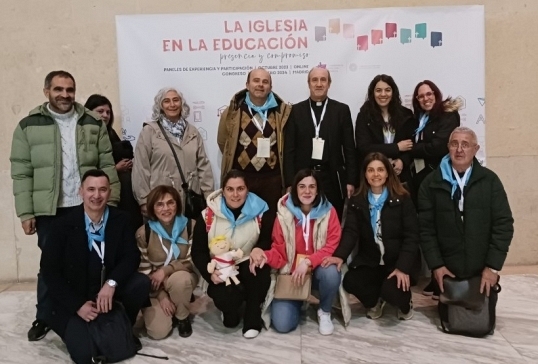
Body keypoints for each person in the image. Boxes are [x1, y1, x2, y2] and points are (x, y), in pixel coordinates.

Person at [9, 70, 119, 342]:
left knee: (90, 262)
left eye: (70, 89)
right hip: (50, 209)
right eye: (58, 89)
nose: (65, 95)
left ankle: (82, 310)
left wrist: (112, 199)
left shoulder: (92, 122)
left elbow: (106, 162)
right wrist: (26, 212)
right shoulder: (28, 126)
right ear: (47, 91)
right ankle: (45, 316)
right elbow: (21, 172)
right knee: (50, 265)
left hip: (86, 205)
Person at [40, 169, 150, 364]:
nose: (96, 195)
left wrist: (111, 283)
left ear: (109, 192)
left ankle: (123, 324)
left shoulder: (121, 220)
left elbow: (131, 256)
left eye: (102, 190)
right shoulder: (61, 225)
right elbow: (50, 274)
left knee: (140, 283)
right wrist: (78, 305)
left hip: (107, 292)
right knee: (85, 356)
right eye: (91, 189)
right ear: (80, 191)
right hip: (76, 299)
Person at [419, 127, 513, 302]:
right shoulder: (430, 183)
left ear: (475, 149)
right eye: (454, 144)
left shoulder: (490, 181)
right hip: (447, 270)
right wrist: (437, 266)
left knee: (481, 324)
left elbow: (504, 224)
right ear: (448, 147)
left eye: (465, 144)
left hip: (481, 268)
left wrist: (492, 267)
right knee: (450, 321)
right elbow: (426, 229)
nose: (459, 149)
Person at [250, 168, 347, 335]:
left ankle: (324, 311)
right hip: (292, 275)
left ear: (318, 190)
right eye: (302, 186)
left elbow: (332, 244)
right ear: (294, 189)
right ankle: (301, 299)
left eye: (312, 186)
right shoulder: (283, 214)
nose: (307, 191)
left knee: (331, 272)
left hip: (318, 271)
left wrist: (309, 261)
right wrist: (264, 256)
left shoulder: (329, 211)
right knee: (282, 325)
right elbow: (279, 251)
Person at [325, 152, 419, 320]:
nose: (376, 174)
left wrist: (403, 267)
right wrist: (339, 256)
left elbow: (411, 236)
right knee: (350, 281)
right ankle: (374, 302)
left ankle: (405, 304)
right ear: (365, 174)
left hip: (397, 262)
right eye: (371, 170)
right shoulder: (357, 200)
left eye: (380, 170)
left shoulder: (402, 198)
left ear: (388, 173)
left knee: (393, 292)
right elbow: (351, 232)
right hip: (371, 261)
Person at [191, 169, 272, 339]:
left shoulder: (261, 211)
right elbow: (198, 251)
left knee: (260, 273)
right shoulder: (207, 215)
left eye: (240, 189)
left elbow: (267, 239)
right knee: (228, 309)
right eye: (230, 189)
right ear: (223, 190)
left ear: (247, 189)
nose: (235, 194)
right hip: (221, 268)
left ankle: (252, 316)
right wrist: (209, 273)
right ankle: (230, 311)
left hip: (247, 262)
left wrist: (259, 248)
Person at [217, 68, 292, 227]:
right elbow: (224, 142)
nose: (260, 85)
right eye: (256, 81)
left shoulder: (282, 112)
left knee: (270, 224)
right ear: (247, 84)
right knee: (243, 224)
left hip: (272, 180)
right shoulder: (233, 112)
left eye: (265, 82)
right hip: (243, 180)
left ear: (270, 87)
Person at [408, 80, 461, 297]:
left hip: (441, 180)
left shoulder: (448, 115)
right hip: (420, 180)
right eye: (421, 96)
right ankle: (434, 275)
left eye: (429, 94)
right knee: (427, 227)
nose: (425, 98)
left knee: (443, 229)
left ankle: (446, 278)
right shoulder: (419, 119)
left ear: (436, 95)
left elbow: (438, 146)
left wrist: (414, 149)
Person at [284, 67, 357, 219]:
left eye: (323, 80)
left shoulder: (341, 110)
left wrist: (350, 180)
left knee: (332, 221)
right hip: (304, 178)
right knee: (305, 221)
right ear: (308, 83)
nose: (319, 84)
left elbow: (349, 148)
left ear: (329, 83)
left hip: (332, 178)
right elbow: (289, 150)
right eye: (314, 80)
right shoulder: (295, 111)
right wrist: (290, 182)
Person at [132, 87, 214, 217]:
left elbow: (203, 166)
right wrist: (143, 200)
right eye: (166, 101)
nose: (172, 104)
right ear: (160, 106)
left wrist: (209, 195)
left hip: (189, 202)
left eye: (176, 100)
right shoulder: (149, 132)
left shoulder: (193, 132)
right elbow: (140, 168)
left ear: (182, 104)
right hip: (160, 202)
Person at [136, 185, 198, 339]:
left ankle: (182, 317)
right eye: (160, 204)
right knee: (158, 333)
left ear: (177, 204)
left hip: (182, 277)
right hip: (155, 286)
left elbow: (191, 262)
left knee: (180, 280)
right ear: (152, 208)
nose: (166, 208)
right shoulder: (144, 233)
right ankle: (172, 303)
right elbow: (143, 272)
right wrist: (161, 296)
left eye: (171, 203)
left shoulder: (191, 226)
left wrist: (165, 270)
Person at [85, 94, 143, 229]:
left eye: (108, 112)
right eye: (100, 111)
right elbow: (88, 167)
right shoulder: (85, 136)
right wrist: (115, 169)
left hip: (124, 191)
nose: (105, 115)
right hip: (104, 195)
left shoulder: (110, 133)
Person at [355, 74, 415, 186]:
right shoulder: (364, 116)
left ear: (393, 93)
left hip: (399, 177)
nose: (383, 94)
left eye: (387, 90)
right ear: (372, 93)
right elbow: (364, 147)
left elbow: (411, 146)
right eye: (378, 90)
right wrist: (396, 148)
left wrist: (402, 161)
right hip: (373, 176)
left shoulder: (406, 115)